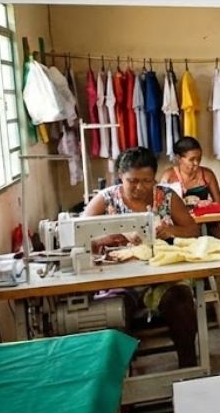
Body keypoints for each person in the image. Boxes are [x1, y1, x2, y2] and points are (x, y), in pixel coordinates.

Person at [83, 146, 203, 368]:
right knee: (113, 314)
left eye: (147, 181)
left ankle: (189, 371)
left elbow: (192, 230)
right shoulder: (106, 199)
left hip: (162, 279)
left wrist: (170, 231)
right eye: (132, 181)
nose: (140, 187)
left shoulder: (166, 197)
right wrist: (115, 235)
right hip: (120, 281)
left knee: (182, 303)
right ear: (120, 176)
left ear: (154, 177)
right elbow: (80, 234)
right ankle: (122, 381)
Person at [161, 135, 220, 238]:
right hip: (181, 228)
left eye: (199, 159)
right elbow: (162, 210)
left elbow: (219, 205)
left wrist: (207, 206)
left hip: (208, 226)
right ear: (179, 158)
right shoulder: (169, 177)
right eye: (191, 159)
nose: (196, 163)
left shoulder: (207, 175)